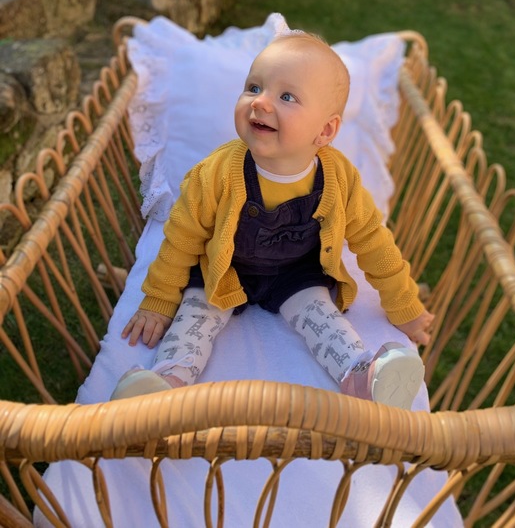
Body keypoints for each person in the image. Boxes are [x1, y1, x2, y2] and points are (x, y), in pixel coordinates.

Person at [111, 30, 434, 408]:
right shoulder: (216, 172)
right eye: (253, 87)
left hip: (295, 273)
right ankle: (164, 386)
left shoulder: (338, 179)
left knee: (324, 320)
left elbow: (374, 242)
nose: (260, 102)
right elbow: (181, 238)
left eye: (287, 97)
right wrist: (158, 299)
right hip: (222, 269)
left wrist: (404, 305)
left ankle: (361, 375)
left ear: (325, 130)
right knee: (194, 321)